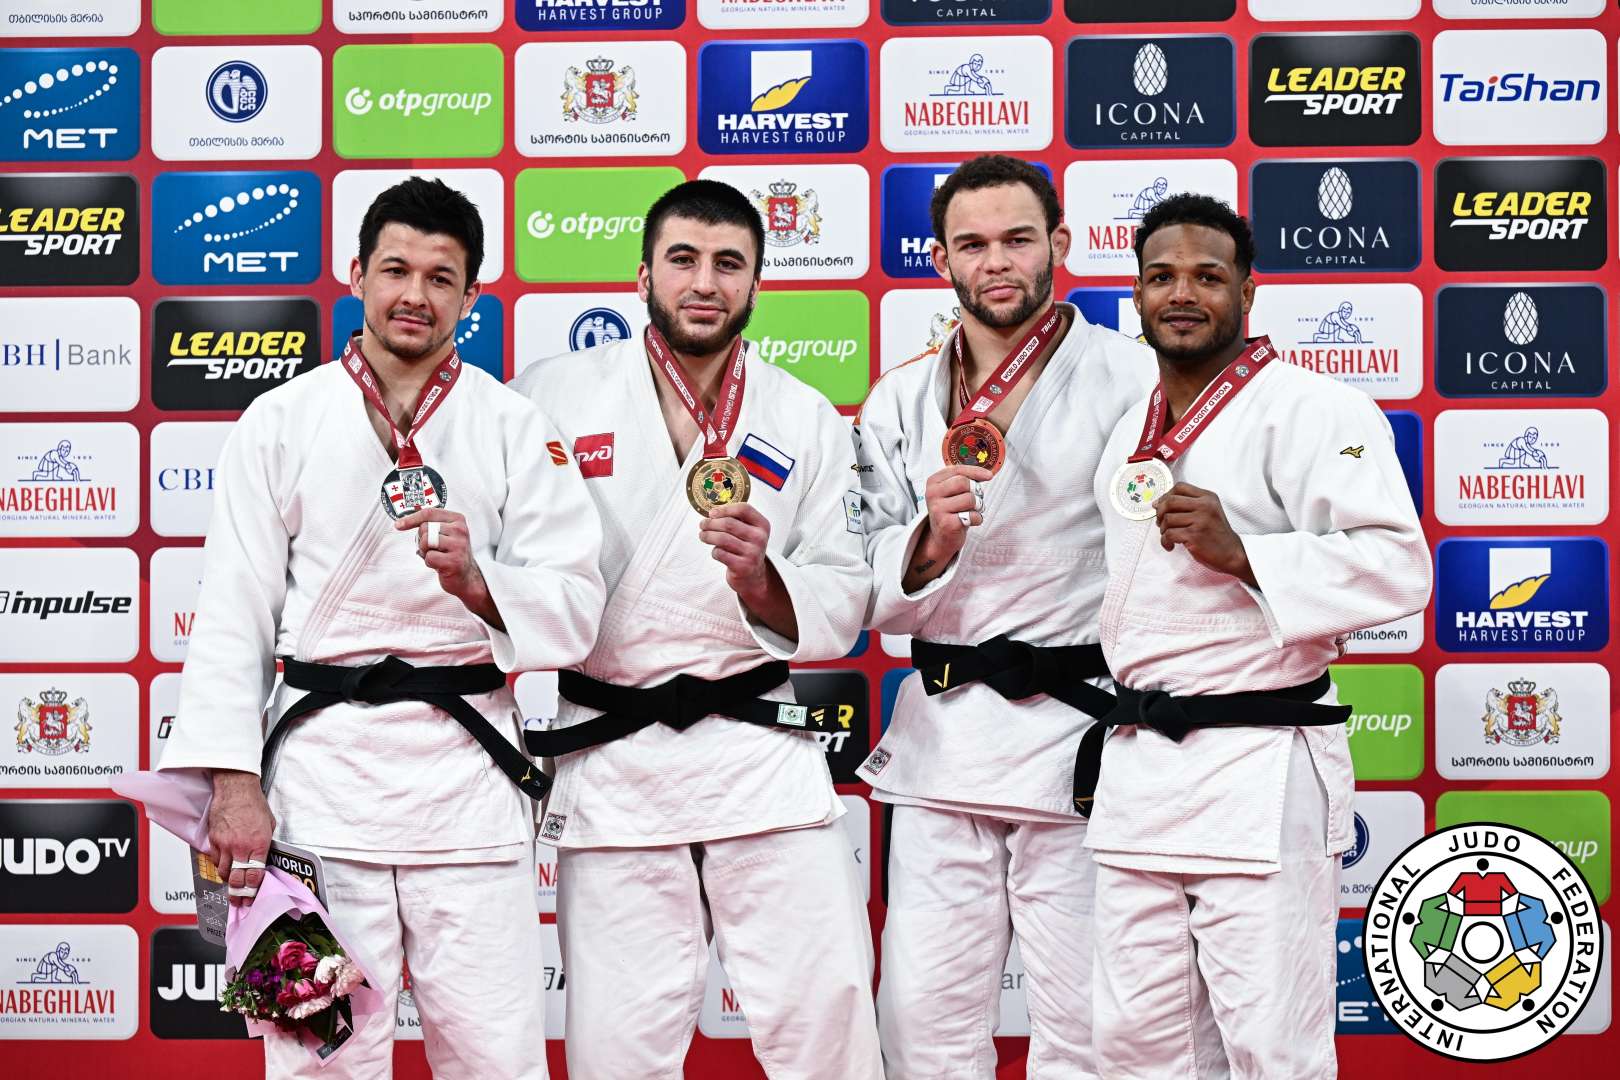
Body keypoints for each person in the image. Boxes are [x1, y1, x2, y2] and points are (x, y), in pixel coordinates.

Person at [159, 177, 606, 1079]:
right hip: (321, 786)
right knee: (322, 1054)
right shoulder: (281, 421)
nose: (416, 293)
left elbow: (574, 606)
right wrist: (235, 785)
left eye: (443, 277)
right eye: (396, 268)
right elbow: (233, 614)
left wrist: (483, 586)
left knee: (497, 1056)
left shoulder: (514, 426)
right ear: (355, 272)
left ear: (471, 299)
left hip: (467, 782)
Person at [853, 154, 1221, 1080]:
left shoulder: (1135, 381)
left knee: (1091, 1027)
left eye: (1018, 239)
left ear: (1058, 244)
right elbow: (858, 577)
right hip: (943, 747)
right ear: (940, 259)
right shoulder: (901, 398)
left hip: (1082, 747)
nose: (997, 262)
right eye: (972, 244)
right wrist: (927, 542)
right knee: (923, 1026)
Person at [513, 180, 881, 1080]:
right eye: (683, 260)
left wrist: (766, 580)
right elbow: (513, 569)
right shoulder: (549, 398)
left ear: (758, 285)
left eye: (728, 264)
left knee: (825, 1011)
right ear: (642, 273)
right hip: (614, 754)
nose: (704, 281)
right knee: (617, 1040)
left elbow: (847, 584)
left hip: (757, 748)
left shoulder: (803, 415)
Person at [1085, 193, 1431, 1078]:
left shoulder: (1318, 409)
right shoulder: (1132, 430)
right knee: (1136, 1045)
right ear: (1136, 296)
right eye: (1161, 277)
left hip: (1259, 761)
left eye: (1208, 275)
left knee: (1274, 1044)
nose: (1183, 294)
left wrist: (1245, 554)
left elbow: (1400, 568)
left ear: (1248, 290)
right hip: (1141, 765)